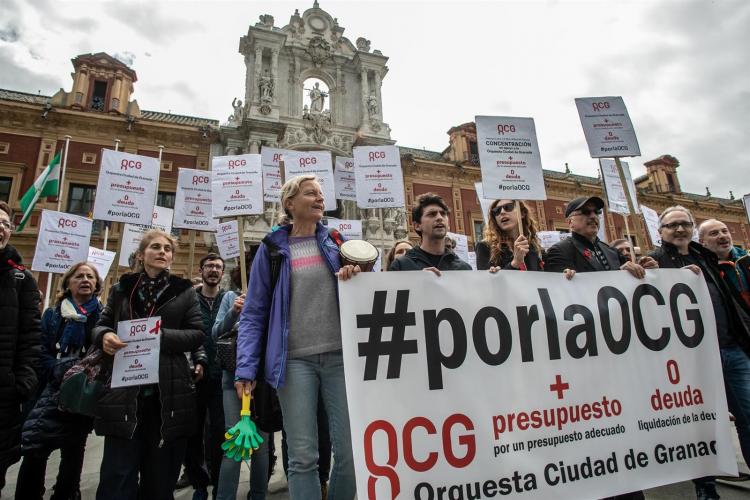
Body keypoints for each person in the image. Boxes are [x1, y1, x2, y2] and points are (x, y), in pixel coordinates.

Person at [235, 175, 359, 500]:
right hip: (293, 363)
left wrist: (355, 274)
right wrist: (245, 369)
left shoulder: (336, 241)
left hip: (340, 359)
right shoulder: (272, 249)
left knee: (349, 452)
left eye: (321, 194)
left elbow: (367, 289)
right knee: (303, 456)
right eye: (310, 194)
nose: (320, 198)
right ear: (290, 204)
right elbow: (254, 312)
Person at [93, 229, 204, 500]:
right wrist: (104, 336)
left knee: (159, 475)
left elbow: (198, 333)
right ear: (142, 255)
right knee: (118, 474)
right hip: (125, 393)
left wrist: (159, 336)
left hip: (167, 395)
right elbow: (102, 325)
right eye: (155, 247)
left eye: (167, 249)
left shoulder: (184, 291)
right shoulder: (122, 288)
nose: (162, 252)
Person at [649, 209, 750, 500]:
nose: (679, 229)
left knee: (747, 416)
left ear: (692, 228)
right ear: (661, 230)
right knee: (697, 425)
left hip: (730, 348)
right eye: (672, 225)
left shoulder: (707, 257)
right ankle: (704, 487)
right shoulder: (654, 260)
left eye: (685, 224)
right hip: (689, 358)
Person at [16, 262, 103, 500]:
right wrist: (58, 369)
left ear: (96, 284)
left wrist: (78, 373)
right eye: (79, 276)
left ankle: (66, 493)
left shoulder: (103, 317)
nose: (85, 280)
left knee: (74, 449)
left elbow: (99, 353)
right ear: (67, 283)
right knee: (36, 446)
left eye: (90, 276)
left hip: (81, 390)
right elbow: (39, 348)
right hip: (49, 387)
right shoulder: (53, 314)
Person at [213, 249, 271, 500]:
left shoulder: (272, 297)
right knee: (234, 443)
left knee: (261, 445)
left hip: (264, 379)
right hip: (232, 379)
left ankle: (258, 494)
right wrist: (235, 312)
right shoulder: (229, 297)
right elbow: (216, 333)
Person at [0, 201, 41, 496]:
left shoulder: (21, 279)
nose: (1, 227)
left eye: (5, 223)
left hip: (3, 392)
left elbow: (30, 335)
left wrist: (22, 382)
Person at [183, 253, 228, 500]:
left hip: (221, 375)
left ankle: (219, 481)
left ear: (222, 273)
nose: (213, 270)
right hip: (195, 376)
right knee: (194, 431)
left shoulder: (228, 299)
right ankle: (199, 483)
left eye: (218, 267)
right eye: (209, 266)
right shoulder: (189, 300)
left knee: (220, 431)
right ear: (201, 270)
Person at [544, 196, 657, 280]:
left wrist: (644, 270)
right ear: (570, 222)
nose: (593, 216)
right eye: (586, 212)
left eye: (596, 212)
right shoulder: (559, 251)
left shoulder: (612, 252)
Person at [389, 193, 472, 273]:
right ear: (417, 225)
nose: (439, 218)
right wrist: (416, 280)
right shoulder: (400, 266)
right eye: (432, 214)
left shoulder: (464, 268)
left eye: (443, 214)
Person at [475, 199, 544, 271]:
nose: (502, 212)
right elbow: (486, 280)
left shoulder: (534, 247)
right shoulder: (485, 247)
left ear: (522, 213)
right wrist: (515, 263)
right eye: (497, 210)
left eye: (508, 207)